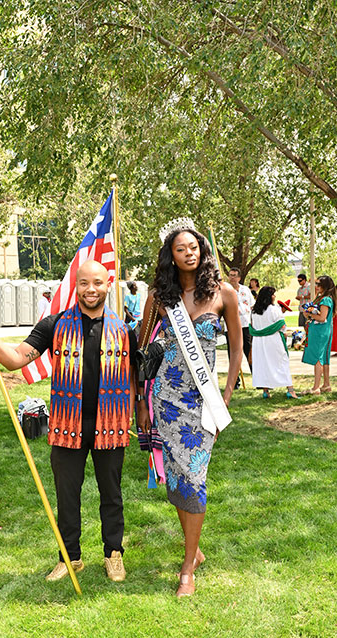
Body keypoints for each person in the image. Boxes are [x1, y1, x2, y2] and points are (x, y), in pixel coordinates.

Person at [0, 260, 137, 583]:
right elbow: (16, 360)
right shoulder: (55, 325)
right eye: (84, 283)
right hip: (68, 426)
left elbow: (132, 378)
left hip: (110, 425)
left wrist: (131, 414)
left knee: (112, 494)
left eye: (98, 283)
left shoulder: (124, 329)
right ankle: (69, 557)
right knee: (67, 496)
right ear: (76, 285)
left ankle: (113, 553)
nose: (91, 289)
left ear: (108, 285)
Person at [137, 222, 241, 598]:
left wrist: (226, 396)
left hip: (204, 402)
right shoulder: (159, 296)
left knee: (195, 477)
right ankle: (193, 551)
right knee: (178, 478)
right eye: (180, 249)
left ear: (202, 250)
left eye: (193, 247)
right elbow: (140, 351)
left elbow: (236, 350)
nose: (189, 253)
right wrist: (140, 401)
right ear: (171, 255)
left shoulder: (223, 293)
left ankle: (186, 568)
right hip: (166, 399)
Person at [250, 287, 297, 399]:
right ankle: (290, 390)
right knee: (282, 362)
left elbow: (252, 326)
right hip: (272, 340)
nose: (274, 296)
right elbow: (282, 326)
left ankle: (265, 391)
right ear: (268, 296)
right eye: (273, 294)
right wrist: (284, 333)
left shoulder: (254, 311)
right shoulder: (273, 309)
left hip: (258, 341)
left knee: (263, 364)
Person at [301, 275, 336, 394]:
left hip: (320, 332)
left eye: (319, 284)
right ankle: (326, 385)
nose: (316, 286)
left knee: (318, 358)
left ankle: (315, 388)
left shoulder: (325, 299)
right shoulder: (323, 297)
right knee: (324, 358)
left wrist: (309, 315)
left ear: (325, 285)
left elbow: (322, 317)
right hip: (322, 331)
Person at [226, 267, 253, 387]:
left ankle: (257, 379)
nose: (232, 278)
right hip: (231, 326)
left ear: (239, 278)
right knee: (233, 354)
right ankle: (235, 382)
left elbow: (252, 305)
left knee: (249, 351)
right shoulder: (225, 290)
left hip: (246, 324)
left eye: (234, 275)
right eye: (230, 275)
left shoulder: (245, 289)